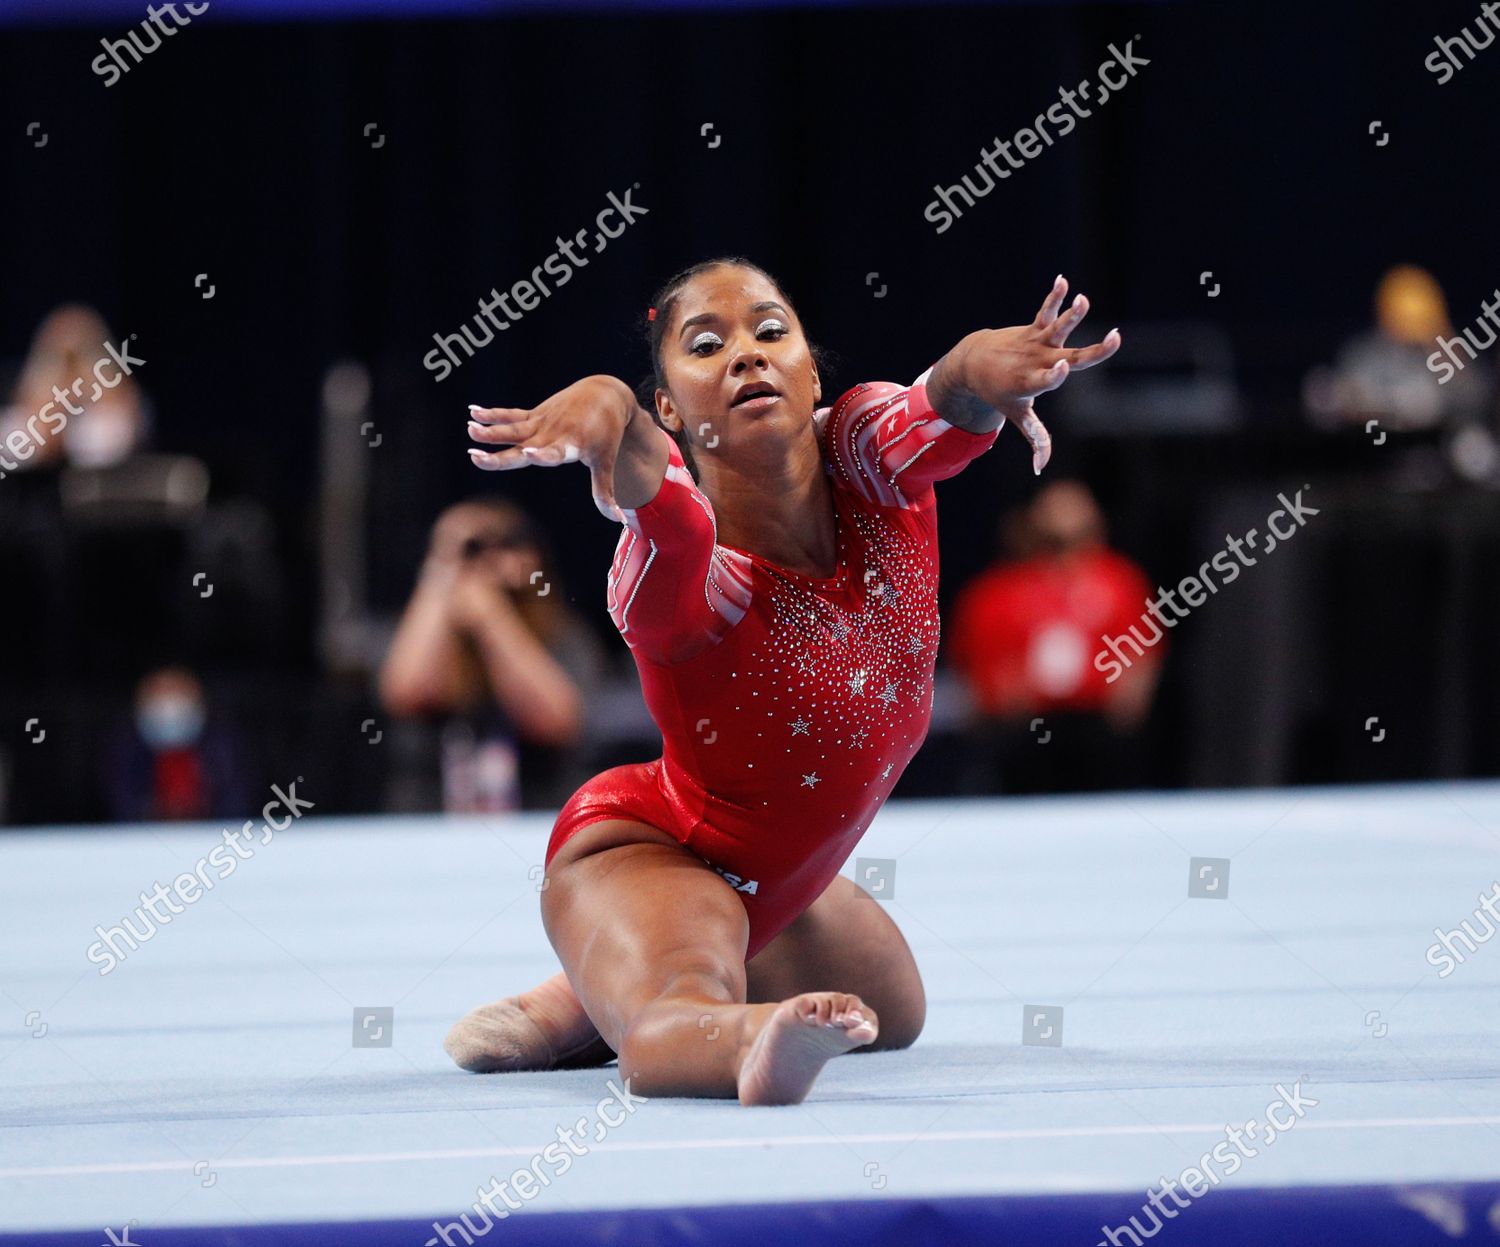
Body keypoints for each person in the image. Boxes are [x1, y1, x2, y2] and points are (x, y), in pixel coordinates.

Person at [448, 258, 1120, 1104]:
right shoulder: (690, 582)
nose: (747, 354)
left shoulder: (869, 456)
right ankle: (725, 1029)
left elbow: (939, 401)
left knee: (894, 1009)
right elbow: (664, 509)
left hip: (781, 881)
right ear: (670, 407)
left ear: (810, 370)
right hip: (652, 852)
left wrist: (976, 368)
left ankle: (582, 998)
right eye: (706, 345)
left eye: (772, 332)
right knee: (669, 1033)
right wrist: (609, 410)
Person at [379, 498, 603, 812]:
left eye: (505, 545)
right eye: (474, 549)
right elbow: (404, 693)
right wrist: (444, 563)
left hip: (534, 820)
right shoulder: (423, 626)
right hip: (430, 830)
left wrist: (492, 618)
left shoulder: (564, 634)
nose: (486, 560)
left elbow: (558, 722)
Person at [948, 479, 1160, 794]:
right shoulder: (997, 593)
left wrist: (1129, 700)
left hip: (1096, 726)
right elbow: (971, 665)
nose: (1066, 559)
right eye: (1054, 543)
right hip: (1027, 727)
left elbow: (1143, 653)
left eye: (1078, 540)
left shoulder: (1120, 583)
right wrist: (998, 697)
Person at [104, 666, 250, 822]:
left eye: (177, 691)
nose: (168, 705)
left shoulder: (223, 745)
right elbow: (121, 803)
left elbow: (237, 801)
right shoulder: (125, 750)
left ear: (197, 697)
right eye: (159, 692)